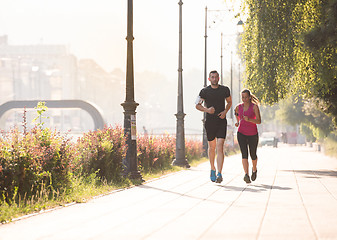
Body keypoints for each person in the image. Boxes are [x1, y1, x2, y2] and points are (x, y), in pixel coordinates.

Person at [195, 70, 232, 183]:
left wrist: (225, 112)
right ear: (209, 79)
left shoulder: (224, 90)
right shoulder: (204, 91)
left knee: (220, 146)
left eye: (216, 77)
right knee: (212, 147)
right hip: (210, 122)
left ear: (219, 78)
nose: (214, 79)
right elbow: (197, 105)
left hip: (221, 121)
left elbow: (229, 102)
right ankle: (212, 169)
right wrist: (207, 110)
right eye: (212, 77)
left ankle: (220, 173)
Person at [234, 89, 261, 183]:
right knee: (244, 154)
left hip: (253, 134)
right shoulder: (238, 107)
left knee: (253, 154)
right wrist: (237, 122)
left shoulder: (254, 107)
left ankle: (254, 169)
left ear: (249, 97)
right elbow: (236, 114)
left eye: (246, 97)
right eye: (242, 97)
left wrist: (249, 119)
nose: (244, 99)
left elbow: (259, 121)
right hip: (241, 133)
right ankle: (246, 174)